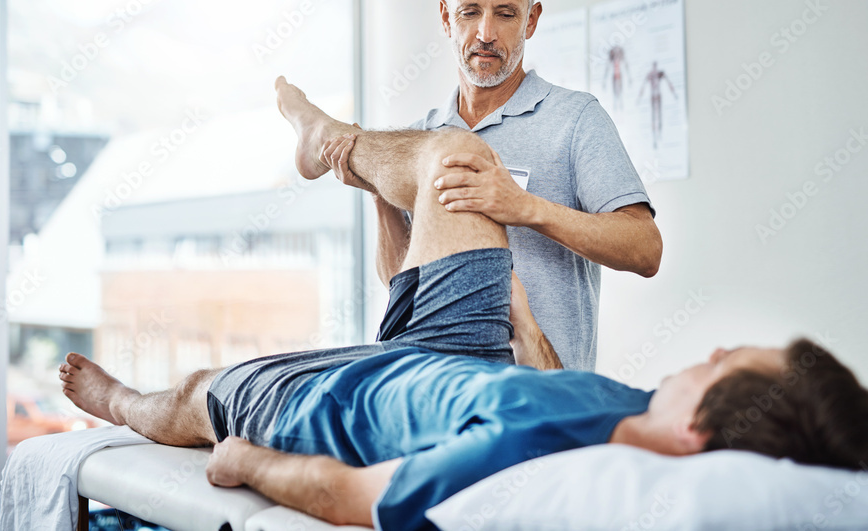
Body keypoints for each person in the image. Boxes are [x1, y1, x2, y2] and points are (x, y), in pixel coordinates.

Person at [58, 83, 868, 531]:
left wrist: (249, 463)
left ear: (701, 432)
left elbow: (357, 499)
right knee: (458, 158)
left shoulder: (526, 460)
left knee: (203, 389)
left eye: (723, 364)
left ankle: (120, 401)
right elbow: (552, 377)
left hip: (348, 402)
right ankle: (335, 146)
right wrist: (520, 316)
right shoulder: (641, 406)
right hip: (468, 349)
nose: (712, 350)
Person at [325, 0, 661, 371]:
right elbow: (402, 286)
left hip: (545, 397)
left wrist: (525, 207)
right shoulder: (422, 137)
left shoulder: (576, 119)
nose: (486, 33)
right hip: (445, 391)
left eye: (505, 13)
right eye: (470, 12)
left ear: (531, 20)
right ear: (447, 17)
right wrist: (380, 190)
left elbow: (645, 249)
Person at [639, 60, 679, 148]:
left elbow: (668, 82)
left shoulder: (659, 73)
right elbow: (643, 86)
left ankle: (659, 136)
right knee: (654, 117)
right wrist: (639, 98)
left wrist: (674, 94)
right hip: (654, 96)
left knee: (659, 116)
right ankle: (655, 139)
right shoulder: (651, 74)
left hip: (657, 95)